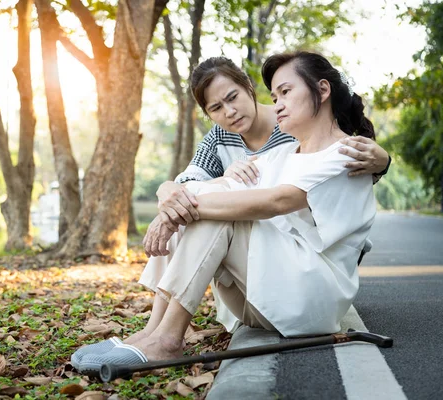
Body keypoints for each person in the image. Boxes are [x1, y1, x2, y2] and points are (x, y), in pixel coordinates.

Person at [71, 51, 378, 374]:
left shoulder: (349, 153)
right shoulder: (285, 153)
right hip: (264, 299)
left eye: (286, 92)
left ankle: (167, 338)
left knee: (217, 210)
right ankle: (153, 331)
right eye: (274, 96)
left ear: (323, 90)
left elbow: (277, 201)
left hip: (315, 297)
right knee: (209, 196)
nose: (278, 104)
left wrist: (178, 211)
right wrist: (171, 202)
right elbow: (198, 188)